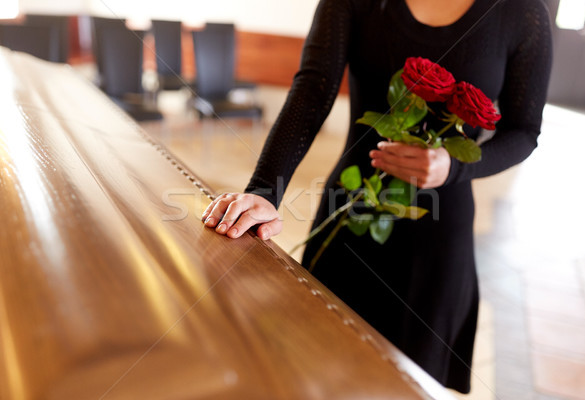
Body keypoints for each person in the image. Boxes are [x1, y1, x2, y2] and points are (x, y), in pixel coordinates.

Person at [201, 0, 552, 393]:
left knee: (408, 385)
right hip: (348, 217)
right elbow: (313, 89)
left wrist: (455, 165)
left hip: (438, 238)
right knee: (311, 369)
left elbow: (524, 131)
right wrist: (265, 190)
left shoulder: (522, 13)